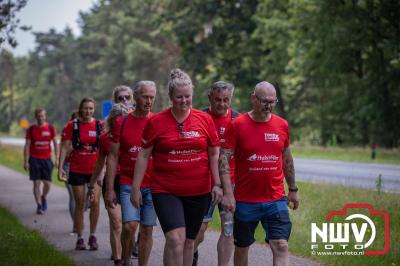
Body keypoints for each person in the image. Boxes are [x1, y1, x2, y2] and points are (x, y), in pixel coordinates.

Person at [131, 69, 223, 266]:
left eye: (187, 96)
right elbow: (144, 155)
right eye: (179, 97)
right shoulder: (156, 122)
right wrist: (136, 188)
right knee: (175, 239)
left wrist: (217, 183)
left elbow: (214, 152)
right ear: (171, 97)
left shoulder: (204, 119)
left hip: (199, 190)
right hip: (166, 189)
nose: (184, 101)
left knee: (190, 242)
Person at [219, 81, 299, 266]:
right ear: (253, 98)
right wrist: (228, 193)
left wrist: (293, 189)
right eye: (264, 101)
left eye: (273, 101)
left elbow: (287, 158)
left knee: (281, 245)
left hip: (275, 199)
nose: (269, 105)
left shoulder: (281, 125)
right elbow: (223, 158)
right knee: (242, 247)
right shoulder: (237, 125)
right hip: (246, 200)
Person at [106, 81, 157, 266]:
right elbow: (112, 157)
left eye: (152, 97)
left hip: (152, 184)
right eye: (145, 97)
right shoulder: (122, 122)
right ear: (135, 97)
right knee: (129, 226)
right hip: (127, 182)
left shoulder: (157, 121)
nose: (149, 101)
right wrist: (110, 189)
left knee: (147, 230)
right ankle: (126, 260)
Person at [193, 81, 239, 266]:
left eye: (226, 100)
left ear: (231, 99)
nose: (221, 104)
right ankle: (191, 252)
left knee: (228, 229)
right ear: (210, 98)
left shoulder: (238, 120)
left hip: (231, 184)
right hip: (205, 183)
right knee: (200, 229)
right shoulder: (199, 117)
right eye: (217, 100)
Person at [88, 103, 130, 266]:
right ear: (112, 121)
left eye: (124, 120)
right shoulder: (105, 138)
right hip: (111, 183)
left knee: (129, 225)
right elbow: (99, 163)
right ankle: (118, 260)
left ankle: (125, 256)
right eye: (118, 120)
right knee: (116, 222)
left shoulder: (133, 136)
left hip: (129, 181)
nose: (121, 124)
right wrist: (92, 184)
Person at [58, 97, 102, 251]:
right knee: (80, 204)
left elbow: (105, 149)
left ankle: (93, 235)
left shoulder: (99, 125)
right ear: (80, 109)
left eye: (90, 108)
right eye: (85, 108)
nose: (88, 111)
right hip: (77, 169)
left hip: (94, 171)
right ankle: (80, 237)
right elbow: (64, 147)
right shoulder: (72, 125)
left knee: (95, 202)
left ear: (93, 109)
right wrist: (60, 168)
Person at [24, 108, 58, 214]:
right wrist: (26, 161)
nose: (40, 118)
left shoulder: (50, 128)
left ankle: (43, 197)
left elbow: (55, 144)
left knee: (47, 183)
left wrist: (57, 158)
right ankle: (39, 205)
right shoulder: (31, 129)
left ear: (45, 116)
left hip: (47, 159)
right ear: (36, 117)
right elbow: (27, 145)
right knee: (36, 183)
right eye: (38, 116)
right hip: (34, 159)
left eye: (42, 116)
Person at [60, 111, 80, 233]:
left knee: (83, 199)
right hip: (69, 165)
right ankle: (76, 225)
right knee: (73, 197)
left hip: (85, 167)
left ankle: (78, 221)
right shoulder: (67, 130)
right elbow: (64, 149)